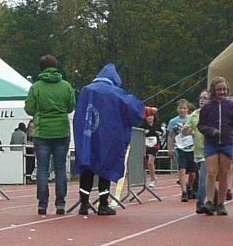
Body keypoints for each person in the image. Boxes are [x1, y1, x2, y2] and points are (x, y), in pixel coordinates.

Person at [72, 64, 144, 216]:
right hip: (108, 137)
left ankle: (84, 203)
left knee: (87, 168)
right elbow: (133, 109)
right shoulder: (114, 92)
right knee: (106, 168)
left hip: (88, 136)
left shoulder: (86, 90)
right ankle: (103, 204)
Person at [24, 54, 76, 216]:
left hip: (42, 132)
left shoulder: (36, 87)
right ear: (56, 66)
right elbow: (71, 107)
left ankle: (42, 204)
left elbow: (29, 109)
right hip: (61, 130)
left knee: (42, 168)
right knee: (60, 168)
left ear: (41, 68)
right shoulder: (66, 86)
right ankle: (60, 204)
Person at [197, 76, 233, 216]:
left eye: (224, 89)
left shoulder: (231, 105)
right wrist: (211, 131)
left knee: (224, 173)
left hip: (227, 142)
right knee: (211, 173)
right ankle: (209, 201)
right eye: (219, 89)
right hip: (211, 143)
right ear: (213, 90)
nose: (222, 92)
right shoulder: (207, 107)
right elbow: (200, 126)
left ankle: (221, 203)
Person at [166, 99, 197, 202]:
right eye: (180, 108)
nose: (182, 110)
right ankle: (184, 192)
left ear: (187, 109)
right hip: (180, 149)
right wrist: (170, 149)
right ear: (177, 109)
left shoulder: (192, 119)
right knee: (182, 170)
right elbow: (171, 136)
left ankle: (189, 186)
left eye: (184, 108)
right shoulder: (173, 122)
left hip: (192, 148)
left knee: (193, 173)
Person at [142, 106, 161, 186]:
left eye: (151, 116)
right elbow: (138, 133)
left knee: (150, 162)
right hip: (145, 145)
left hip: (155, 145)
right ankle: (145, 178)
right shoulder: (143, 125)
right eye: (148, 116)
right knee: (144, 163)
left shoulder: (157, 125)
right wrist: (143, 132)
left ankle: (153, 179)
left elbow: (162, 132)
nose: (150, 117)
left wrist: (160, 133)